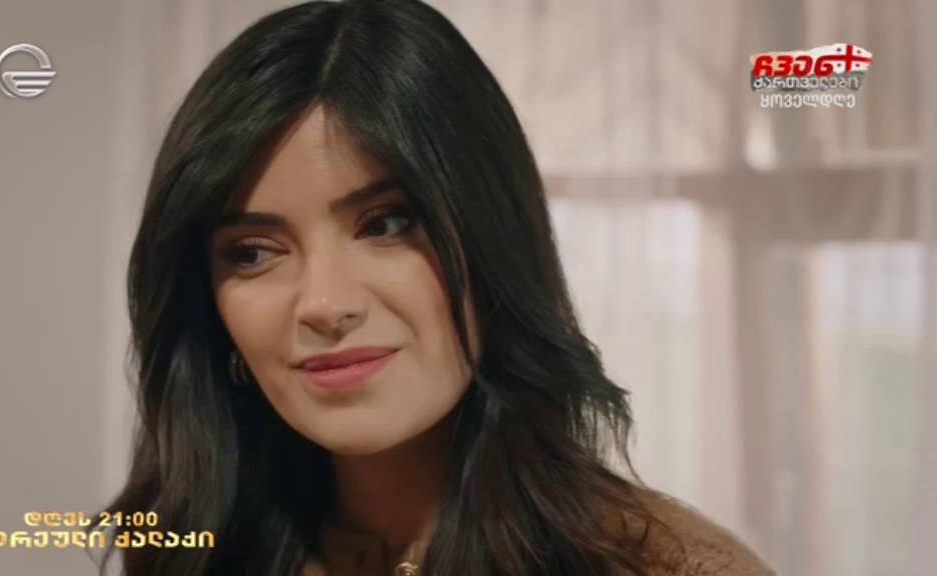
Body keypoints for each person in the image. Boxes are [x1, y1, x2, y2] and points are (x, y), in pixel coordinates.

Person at [91, 1, 776, 575]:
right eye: (252, 253)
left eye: (386, 224)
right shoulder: (189, 552)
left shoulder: (669, 567)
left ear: (493, 237)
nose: (325, 304)